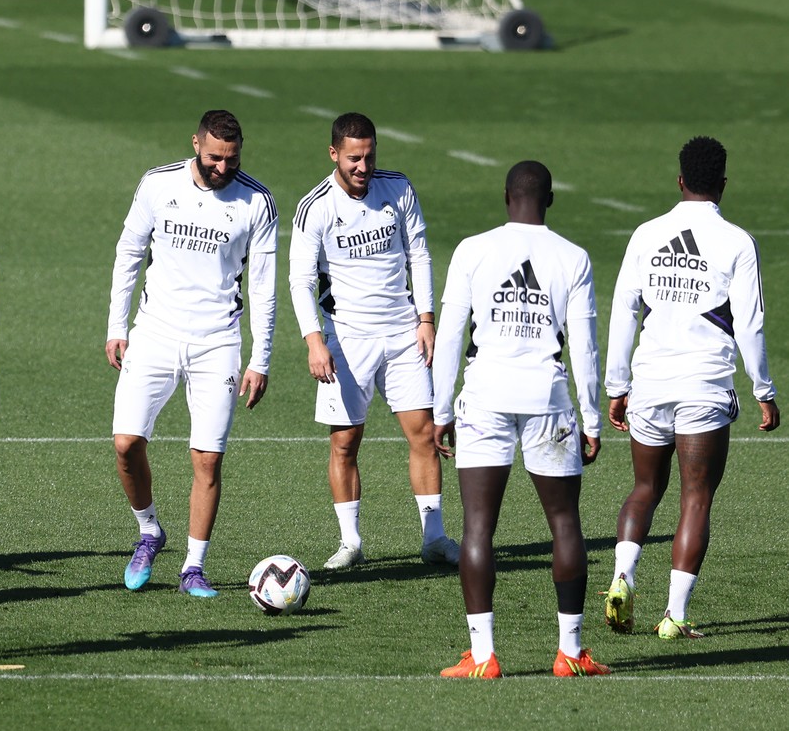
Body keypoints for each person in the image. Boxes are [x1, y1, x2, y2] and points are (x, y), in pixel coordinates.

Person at [433, 161, 608, 678]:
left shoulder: (472, 250)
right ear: (549, 200)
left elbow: (448, 337)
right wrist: (592, 418)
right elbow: (585, 348)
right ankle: (570, 654)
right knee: (564, 524)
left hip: (484, 397)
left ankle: (484, 657)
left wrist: (441, 410)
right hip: (548, 400)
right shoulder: (573, 257)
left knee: (478, 527)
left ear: (506, 197)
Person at [603, 136, 778, 640]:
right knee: (695, 498)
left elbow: (623, 311)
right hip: (704, 386)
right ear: (723, 185)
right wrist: (763, 389)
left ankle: (622, 578)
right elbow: (750, 325)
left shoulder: (646, 233)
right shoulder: (738, 242)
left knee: (644, 489)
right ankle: (674, 616)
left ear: (679, 181)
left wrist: (619, 385)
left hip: (650, 383)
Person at [106, 109, 277, 597]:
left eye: (232, 158)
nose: (223, 168)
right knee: (125, 444)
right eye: (214, 158)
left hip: (217, 343)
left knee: (207, 459)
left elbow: (263, 288)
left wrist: (260, 358)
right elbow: (129, 252)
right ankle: (148, 531)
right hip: (154, 333)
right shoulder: (158, 184)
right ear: (196, 145)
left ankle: (193, 568)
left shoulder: (257, 201)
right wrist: (117, 327)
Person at [288, 112, 458, 570]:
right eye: (353, 159)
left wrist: (426, 318)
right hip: (348, 340)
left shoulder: (398, 188)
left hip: (404, 335)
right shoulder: (315, 207)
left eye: (369, 156)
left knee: (423, 434)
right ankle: (350, 542)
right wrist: (313, 341)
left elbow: (419, 253)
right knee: (345, 442)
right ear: (333, 155)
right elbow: (300, 280)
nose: (363, 167)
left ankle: (434, 537)